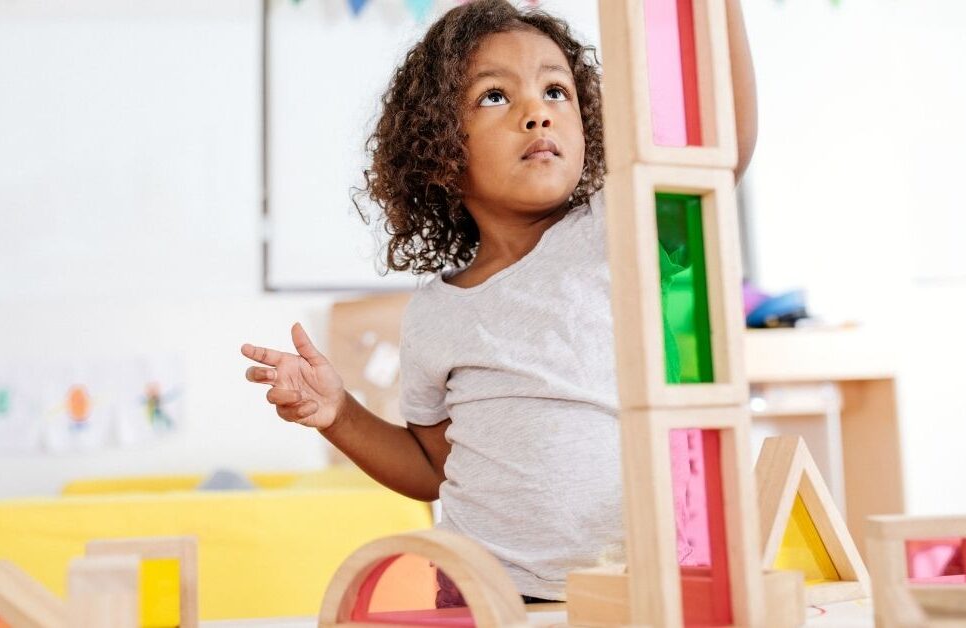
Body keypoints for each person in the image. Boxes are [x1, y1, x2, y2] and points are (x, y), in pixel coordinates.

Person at [241, 0, 757, 604]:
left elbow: (723, 147)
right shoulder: (436, 313)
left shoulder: (622, 225)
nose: (537, 112)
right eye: (495, 96)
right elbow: (432, 471)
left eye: (557, 91)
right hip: (484, 597)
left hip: (645, 589)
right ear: (441, 150)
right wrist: (340, 413)